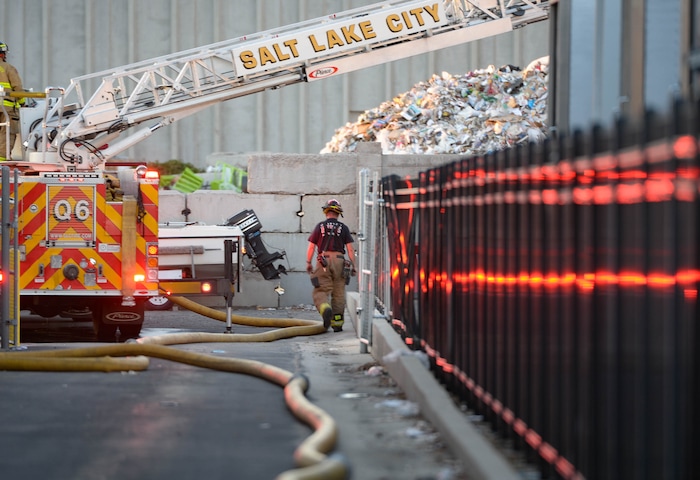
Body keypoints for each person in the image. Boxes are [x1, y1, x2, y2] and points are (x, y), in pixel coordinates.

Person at [306, 199, 356, 332]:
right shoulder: (344, 228)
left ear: (326, 211)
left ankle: (325, 308)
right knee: (339, 293)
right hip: (340, 261)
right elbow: (350, 249)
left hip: (323, 260)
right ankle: (337, 324)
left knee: (321, 290)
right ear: (338, 213)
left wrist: (308, 263)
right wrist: (354, 266)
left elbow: (311, 247)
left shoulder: (320, 226)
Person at [0, 41, 24, 161]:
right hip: (6, 108)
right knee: (7, 133)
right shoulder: (8, 68)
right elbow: (17, 88)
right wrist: (22, 103)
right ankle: (2, 159)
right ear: (1, 54)